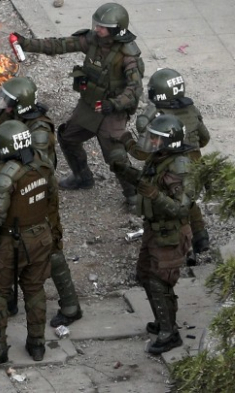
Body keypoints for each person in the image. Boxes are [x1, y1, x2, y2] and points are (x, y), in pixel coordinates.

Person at [12, 2, 145, 210]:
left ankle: (133, 196)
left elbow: (134, 89)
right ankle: (82, 177)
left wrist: (114, 104)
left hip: (112, 111)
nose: (96, 29)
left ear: (115, 30)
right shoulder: (92, 40)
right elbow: (60, 45)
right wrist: (26, 44)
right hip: (91, 103)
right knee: (68, 137)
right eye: (97, 25)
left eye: (102, 27)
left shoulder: (128, 56)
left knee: (115, 156)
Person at [0, 77, 82, 327]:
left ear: (20, 105)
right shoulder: (8, 115)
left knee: (51, 248)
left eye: (8, 100)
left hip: (35, 192)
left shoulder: (39, 130)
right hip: (10, 188)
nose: (3, 105)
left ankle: (70, 305)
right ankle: (8, 300)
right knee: (4, 244)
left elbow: (37, 166)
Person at [0, 120, 58, 361]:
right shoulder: (43, 164)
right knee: (34, 290)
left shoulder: (6, 177)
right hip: (40, 237)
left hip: (10, 242)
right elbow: (50, 196)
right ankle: (37, 345)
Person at [113, 115, 194, 354]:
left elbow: (181, 207)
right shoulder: (160, 159)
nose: (152, 142)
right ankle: (162, 319)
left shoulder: (179, 166)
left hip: (171, 233)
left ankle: (170, 333)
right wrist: (126, 172)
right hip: (154, 227)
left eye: (157, 139)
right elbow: (149, 182)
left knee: (160, 281)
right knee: (145, 274)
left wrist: (153, 195)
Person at [124, 68, 211, 254]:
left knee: (172, 205)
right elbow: (205, 139)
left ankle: (180, 246)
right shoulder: (191, 109)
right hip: (196, 163)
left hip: (172, 167)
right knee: (190, 200)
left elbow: (142, 152)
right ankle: (201, 236)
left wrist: (127, 141)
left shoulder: (159, 118)